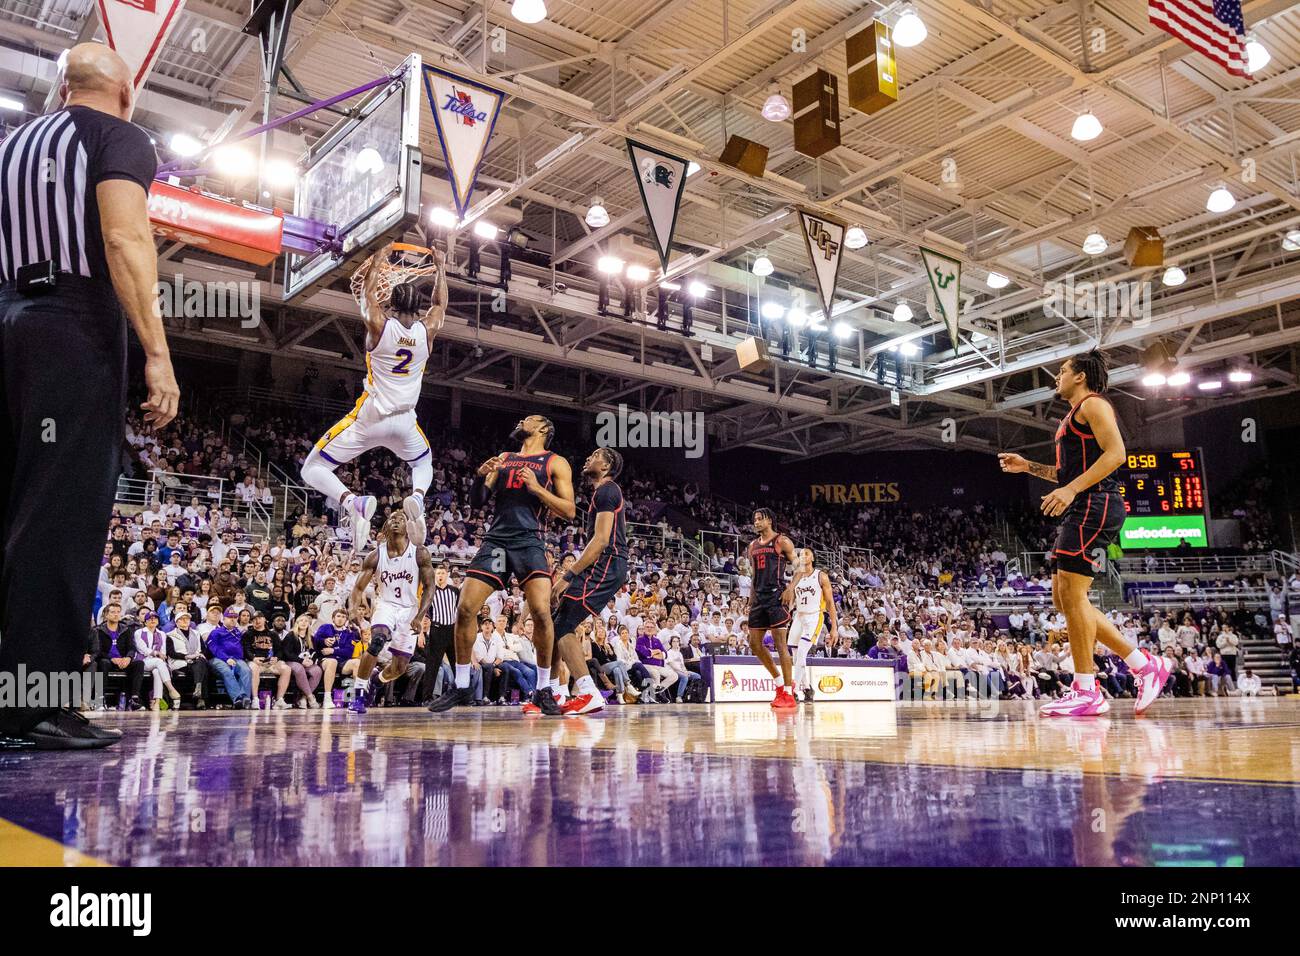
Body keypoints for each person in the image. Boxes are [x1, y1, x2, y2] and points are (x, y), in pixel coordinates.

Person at [0, 44, 179, 749]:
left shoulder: (12, 146)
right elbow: (122, 233)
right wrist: (158, 355)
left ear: (60, 87)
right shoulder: (119, 135)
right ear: (125, 92)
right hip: (72, 325)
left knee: (14, 508)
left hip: (10, 318)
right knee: (60, 516)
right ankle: (34, 704)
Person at [998, 351, 1171, 717]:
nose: (1057, 377)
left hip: (1097, 504)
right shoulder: (1071, 419)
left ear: (1080, 377)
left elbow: (1117, 453)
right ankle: (1143, 664)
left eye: (1062, 371)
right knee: (1065, 600)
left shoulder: (1094, 404)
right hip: (1084, 505)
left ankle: (1087, 689)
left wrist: (1072, 490)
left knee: (1074, 598)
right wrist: (1028, 466)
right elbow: (1063, 476)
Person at [300, 243, 447, 550]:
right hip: (405, 421)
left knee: (312, 468)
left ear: (390, 305)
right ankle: (417, 498)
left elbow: (367, 299)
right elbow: (440, 304)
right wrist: (441, 268)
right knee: (423, 463)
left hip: (371, 416)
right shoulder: (427, 331)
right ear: (419, 309)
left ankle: (353, 502)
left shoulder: (380, 326)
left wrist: (377, 262)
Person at [429, 416, 575, 712]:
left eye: (529, 419)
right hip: (497, 544)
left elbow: (569, 510)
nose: (521, 420)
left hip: (529, 541)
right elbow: (479, 499)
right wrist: (481, 477)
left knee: (541, 613)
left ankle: (544, 688)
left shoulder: (555, 462)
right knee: (466, 608)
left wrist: (537, 489)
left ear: (544, 429)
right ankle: (461, 686)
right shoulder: (506, 458)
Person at [530, 447, 628, 716]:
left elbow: (602, 539)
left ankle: (587, 692)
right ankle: (554, 692)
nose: (588, 457)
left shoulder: (608, 490)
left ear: (606, 466)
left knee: (563, 625)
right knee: (559, 620)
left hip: (607, 563)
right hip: (602, 565)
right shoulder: (601, 493)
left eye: (595, 455)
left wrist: (569, 575)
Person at [345, 510, 436, 713]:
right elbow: (359, 588)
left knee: (400, 667)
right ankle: (359, 693)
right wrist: (352, 608)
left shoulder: (420, 552)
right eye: (392, 519)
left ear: (408, 527)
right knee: (377, 641)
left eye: (401, 519)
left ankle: (377, 681)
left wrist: (420, 616)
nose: (395, 521)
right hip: (385, 604)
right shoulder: (376, 555)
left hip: (409, 610)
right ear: (386, 526)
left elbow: (430, 586)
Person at [746, 509, 799, 710]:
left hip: (776, 597)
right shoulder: (752, 546)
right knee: (754, 644)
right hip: (759, 599)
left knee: (781, 646)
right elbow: (753, 576)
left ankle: (788, 692)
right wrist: (750, 599)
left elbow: (800, 567)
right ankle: (779, 683)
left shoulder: (781, 541)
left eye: (760, 519)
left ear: (769, 520)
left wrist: (790, 588)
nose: (756, 522)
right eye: (755, 519)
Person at [783, 549, 838, 702]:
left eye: (806, 554)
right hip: (798, 616)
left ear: (813, 557)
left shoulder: (821, 576)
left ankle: (791, 690)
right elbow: (791, 600)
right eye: (800, 554)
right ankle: (807, 689)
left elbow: (830, 603)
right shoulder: (797, 576)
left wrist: (834, 628)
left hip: (814, 616)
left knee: (801, 652)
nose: (803, 556)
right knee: (796, 655)